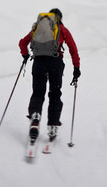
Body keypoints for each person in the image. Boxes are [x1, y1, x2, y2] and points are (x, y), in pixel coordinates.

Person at [19, 8, 80, 141]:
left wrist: (25, 55)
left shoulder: (38, 28)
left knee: (38, 93)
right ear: (60, 19)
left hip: (39, 63)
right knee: (55, 93)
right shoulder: (62, 30)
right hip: (55, 63)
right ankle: (52, 125)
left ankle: (35, 116)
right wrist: (76, 67)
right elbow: (73, 49)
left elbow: (23, 42)